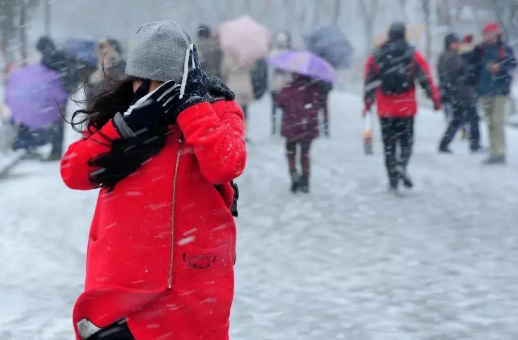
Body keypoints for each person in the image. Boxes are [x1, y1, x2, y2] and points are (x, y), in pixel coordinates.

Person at [60, 21, 246, 340]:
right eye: (144, 81)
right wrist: (123, 128)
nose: (154, 92)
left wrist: (193, 107)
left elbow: (224, 165)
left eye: (167, 82)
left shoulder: (218, 111)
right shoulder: (124, 117)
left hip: (192, 288)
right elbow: (74, 172)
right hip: (121, 294)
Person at [364, 22, 441, 193]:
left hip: (385, 108)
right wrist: (435, 99)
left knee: (388, 145)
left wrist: (367, 104)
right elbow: (425, 78)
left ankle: (392, 180)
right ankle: (402, 165)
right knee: (406, 142)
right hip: (406, 108)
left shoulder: (376, 55)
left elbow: (369, 82)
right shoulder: (412, 54)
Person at [475, 23, 517, 164]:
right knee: (490, 122)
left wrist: (500, 67)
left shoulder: (504, 49)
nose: (487, 36)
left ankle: (500, 152)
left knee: (497, 121)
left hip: (499, 90)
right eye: (485, 33)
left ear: (496, 34)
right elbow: (472, 63)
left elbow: (512, 63)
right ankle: (493, 151)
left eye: (490, 33)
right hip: (485, 90)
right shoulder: (481, 49)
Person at [277, 74, 325, 193]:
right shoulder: (315, 88)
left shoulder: (289, 87)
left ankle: (294, 175)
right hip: (307, 126)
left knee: (290, 153)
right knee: (305, 154)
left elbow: (280, 103)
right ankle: (305, 180)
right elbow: (319, 104)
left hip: (291, 126)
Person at [438, 33, 482, 153]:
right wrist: (467, 75)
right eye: (455, 43)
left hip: (458, 93)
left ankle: (445, 144)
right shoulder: (451, 57)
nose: (457, 45)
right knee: (471, 118)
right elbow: (455, 75)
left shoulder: (450, 56)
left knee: (458, 120)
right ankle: (475, 144)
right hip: (461, 93)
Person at [221, 51, 254, 140]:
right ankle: (244, 133)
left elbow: (224, 70)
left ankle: (235, 131)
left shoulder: (228, 54)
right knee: (245, 110)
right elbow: (252, 67)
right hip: (245, 83)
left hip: (233, 83)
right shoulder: (246, 53)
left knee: (234, 110)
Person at [85, 38, 127, 105]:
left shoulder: (123, 73)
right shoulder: (92, 74)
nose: (99, 54)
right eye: (98, 51)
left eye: (103, 50)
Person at [269, 31, 292, 135]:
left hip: (276, 83)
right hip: (285, 83)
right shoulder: (290, 54)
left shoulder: (273, 53)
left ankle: (274, 127)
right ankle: (283, 127)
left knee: (274, 107)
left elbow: (271, 70)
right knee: (285, 108)